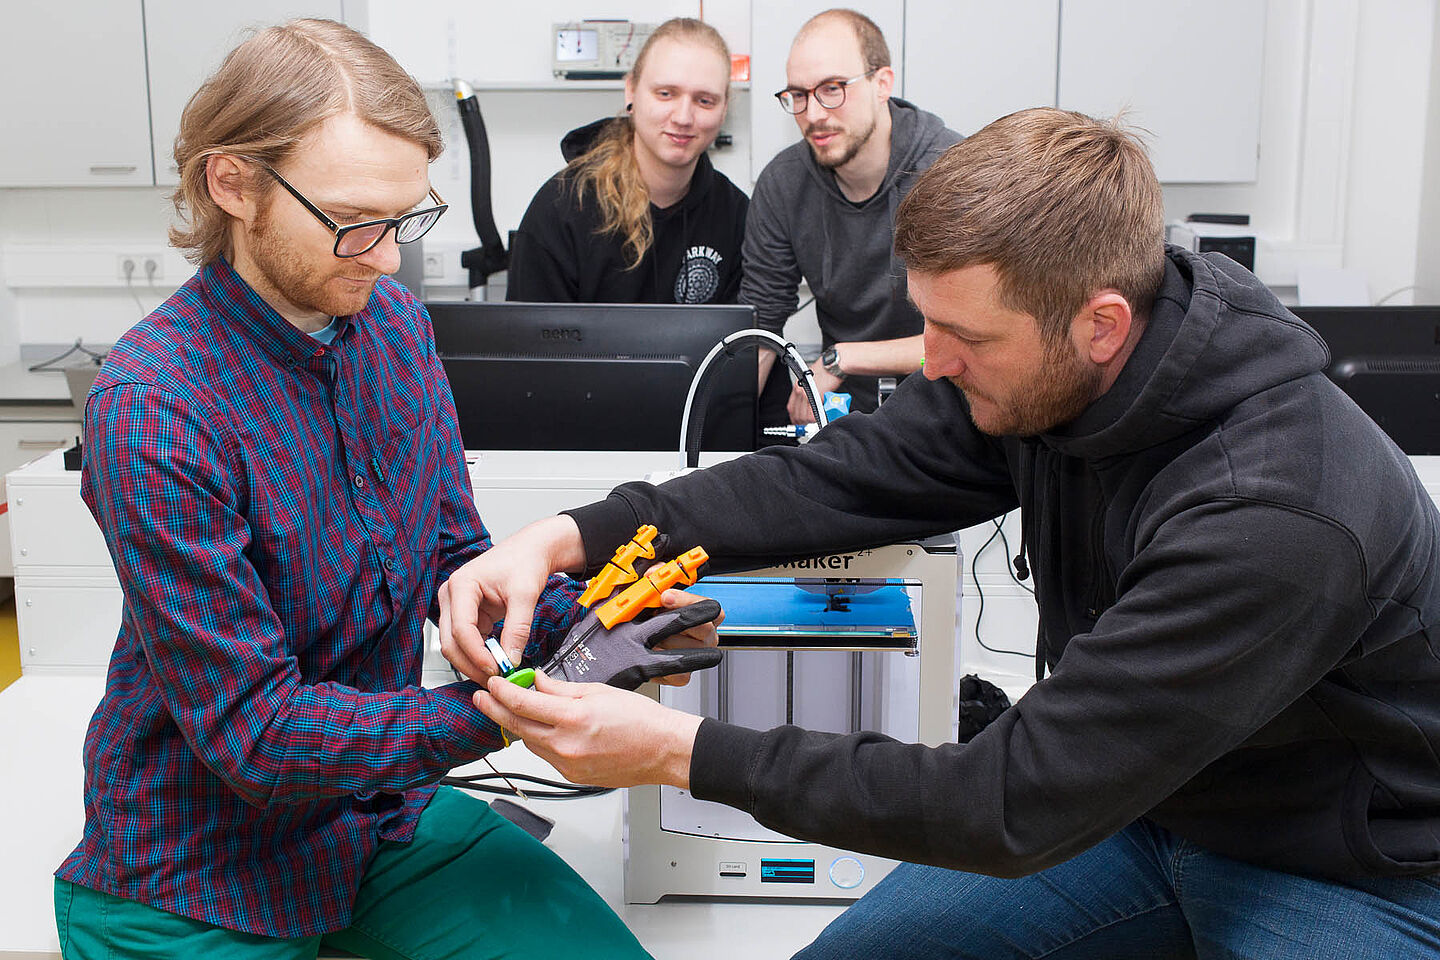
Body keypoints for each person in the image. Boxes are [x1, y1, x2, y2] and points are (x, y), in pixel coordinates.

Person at [447, 107, 1440, 958]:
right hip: (1148, 807)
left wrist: (678, 750)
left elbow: (1009, 802)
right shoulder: (1048, 368)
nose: (938, 365)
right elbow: (840, 477)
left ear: (1099, 324)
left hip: (1353, 869)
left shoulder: (1273, 515)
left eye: (966, 342)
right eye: (932, 329)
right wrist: (572, 535)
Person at [52, 19, 692, 960]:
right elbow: (258, 734)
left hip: (372, 821)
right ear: (234, 185)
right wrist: (512, 708)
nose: (389, 257)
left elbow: (451, 561)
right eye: (356, 221)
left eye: (405, 218)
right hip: (196, 873)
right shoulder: (154, 410)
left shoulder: (389, 322)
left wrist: (587, 631)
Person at [746, 9, 961, 421]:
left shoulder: (946, 172)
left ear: (883, 84)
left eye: (832, 89)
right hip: (844, 418)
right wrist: (707, 440)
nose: (812, 114)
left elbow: (965, 342)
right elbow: (761, 328)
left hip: (949, 407)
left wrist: (841, 358)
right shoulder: (783, 183)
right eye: (799, 95)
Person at [506, 18, 747, 305]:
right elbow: (529, 345)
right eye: (666, 94)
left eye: (704, 101)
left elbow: (745, 341)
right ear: (631, 90)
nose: (683, 117)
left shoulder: (737, 217)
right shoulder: (561, 208)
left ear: (724, 110)